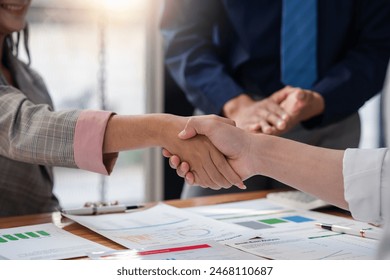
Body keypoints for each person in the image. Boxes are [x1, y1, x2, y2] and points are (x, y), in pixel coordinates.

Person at [0, 0, 245, 217]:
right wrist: (164, 129)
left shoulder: (31, 81)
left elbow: (39, 201)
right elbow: (24, 129)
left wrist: (76, 219)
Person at [160, 0, 390, 197]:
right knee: (208, 232)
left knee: (327, 242)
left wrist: (320, 98)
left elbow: (376, 45)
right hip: (229, 123)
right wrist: (235, 103)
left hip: (329, 119)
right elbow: (183, 37)